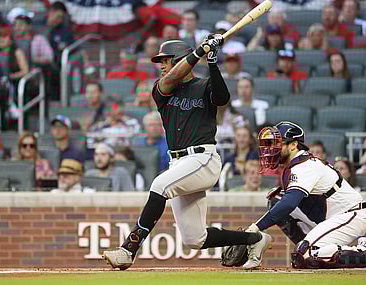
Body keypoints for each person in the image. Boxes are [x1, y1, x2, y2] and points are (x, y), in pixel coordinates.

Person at [102, 37, 272, 270]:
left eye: (166, 60)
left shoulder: (203, 85)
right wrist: (200, 52)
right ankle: (255, 239)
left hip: (203, 159)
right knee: (194, 239)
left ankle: (128, 249)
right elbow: (171, 78)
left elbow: (222, 98)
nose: (162, 65)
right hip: (179, 163)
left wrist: (212, 62)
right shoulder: (162, 90)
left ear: (180, 60)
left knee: (160, 185)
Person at [242, 121, 366, 270]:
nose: (272, 149)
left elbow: (289, 204)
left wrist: (255, 227)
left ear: (294, 145)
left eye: (278, 144)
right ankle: (308, 245)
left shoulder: (304, 166)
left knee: (305, 256)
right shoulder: (295, 165)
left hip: (351, 215)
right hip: (330, 217)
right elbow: (285, 204)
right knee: (276, 199)